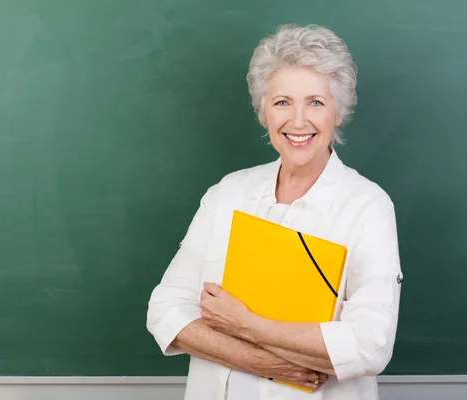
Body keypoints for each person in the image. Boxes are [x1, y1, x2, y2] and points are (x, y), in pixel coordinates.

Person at [147, 24, 403, 400]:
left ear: (338, 112)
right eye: (282, 101)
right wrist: (266, 362)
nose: (298, 121)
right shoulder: (227, 194)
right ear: (263, 111)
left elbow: (370, 344)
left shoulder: (368, 206)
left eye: (315, 102)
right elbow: (165, 311)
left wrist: (247, 325)